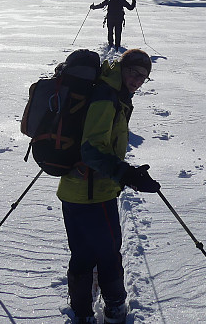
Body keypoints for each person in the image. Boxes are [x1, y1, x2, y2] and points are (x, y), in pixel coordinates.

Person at [57, 48, 160, 324]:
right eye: (135, 73)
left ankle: (81, 313)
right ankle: (114, 308)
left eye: (144, 77)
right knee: (108, 256)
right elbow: (91, 150)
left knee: (81, 255)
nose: (138, 80)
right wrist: (127, 174)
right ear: (123, 68)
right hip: (95, 193)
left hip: (73, 190)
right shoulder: (106, 96)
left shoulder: (110, 90)